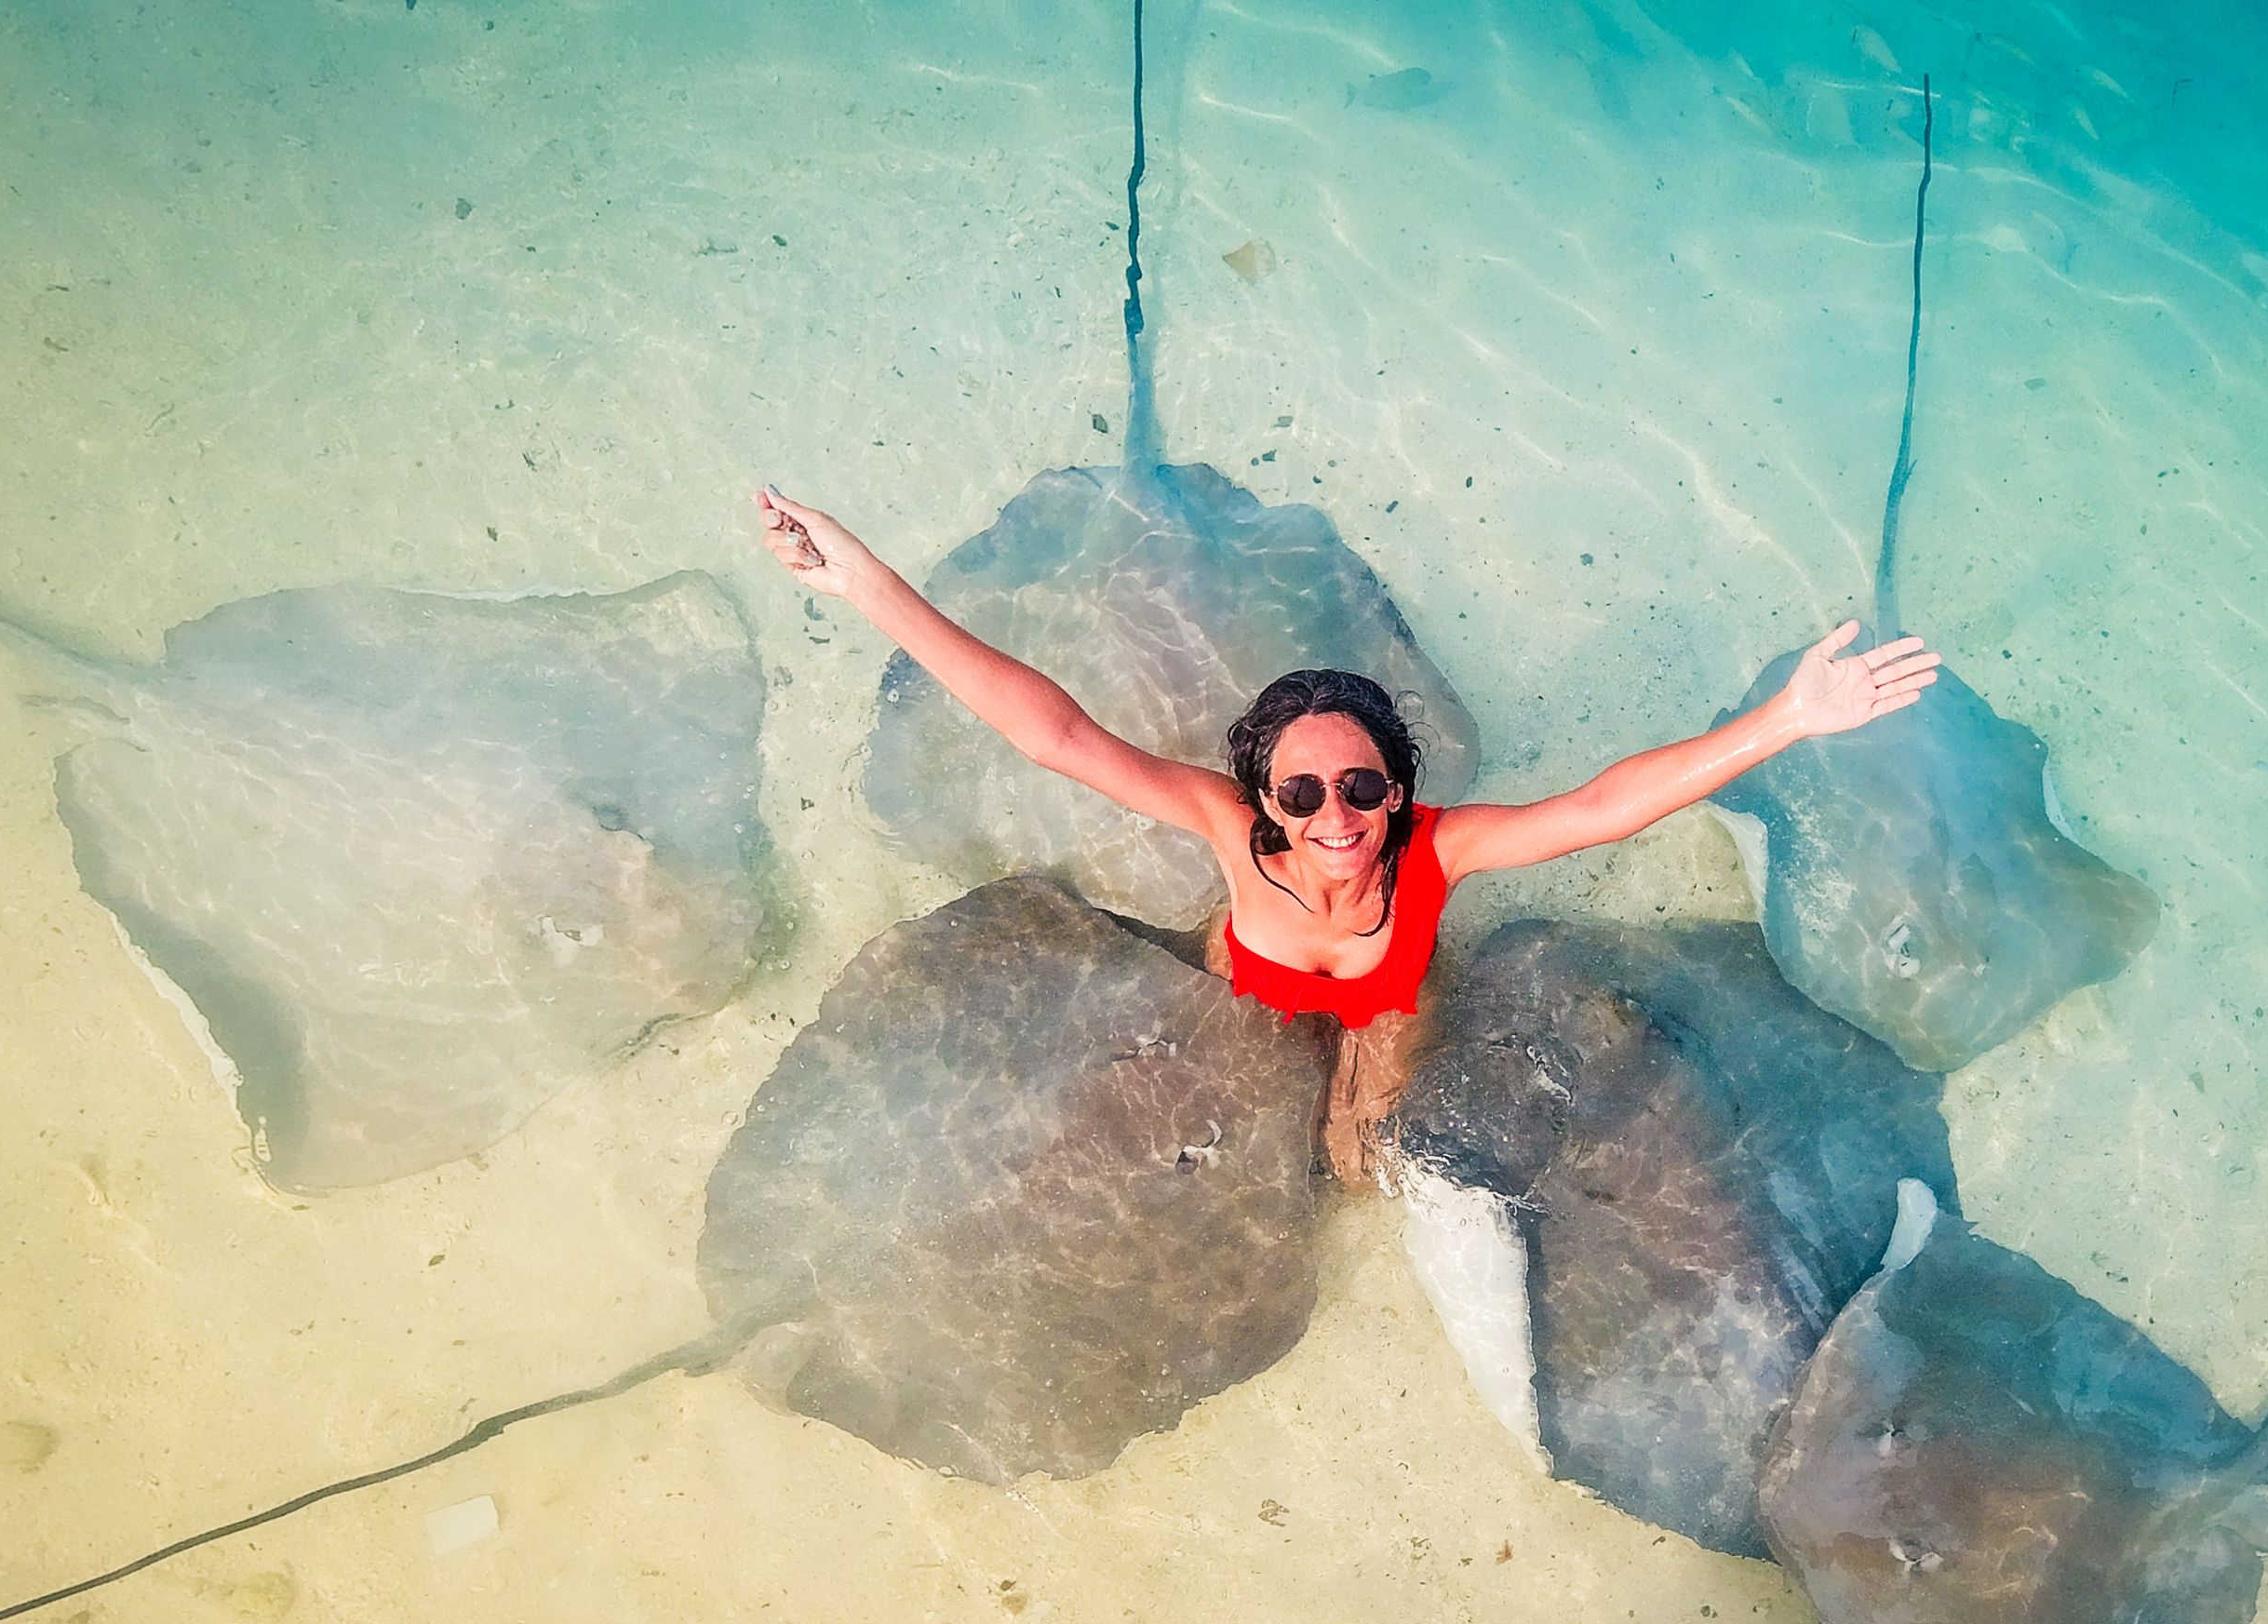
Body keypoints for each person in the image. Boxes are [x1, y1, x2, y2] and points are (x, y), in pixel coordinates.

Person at [755, 487, 1939, 1184]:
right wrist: (864, 581)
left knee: (1356, 1161)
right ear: (1264, 800)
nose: (1336, 820)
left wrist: (1789, 716)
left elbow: (1602, 808)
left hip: (1385, 1004)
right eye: (1303, 793)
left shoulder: (1441, 850)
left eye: (1362, 789)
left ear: (1398, 787)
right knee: (1217, 1102)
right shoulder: (1227, 830)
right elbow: (1057, 732)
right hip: (1252, 978)